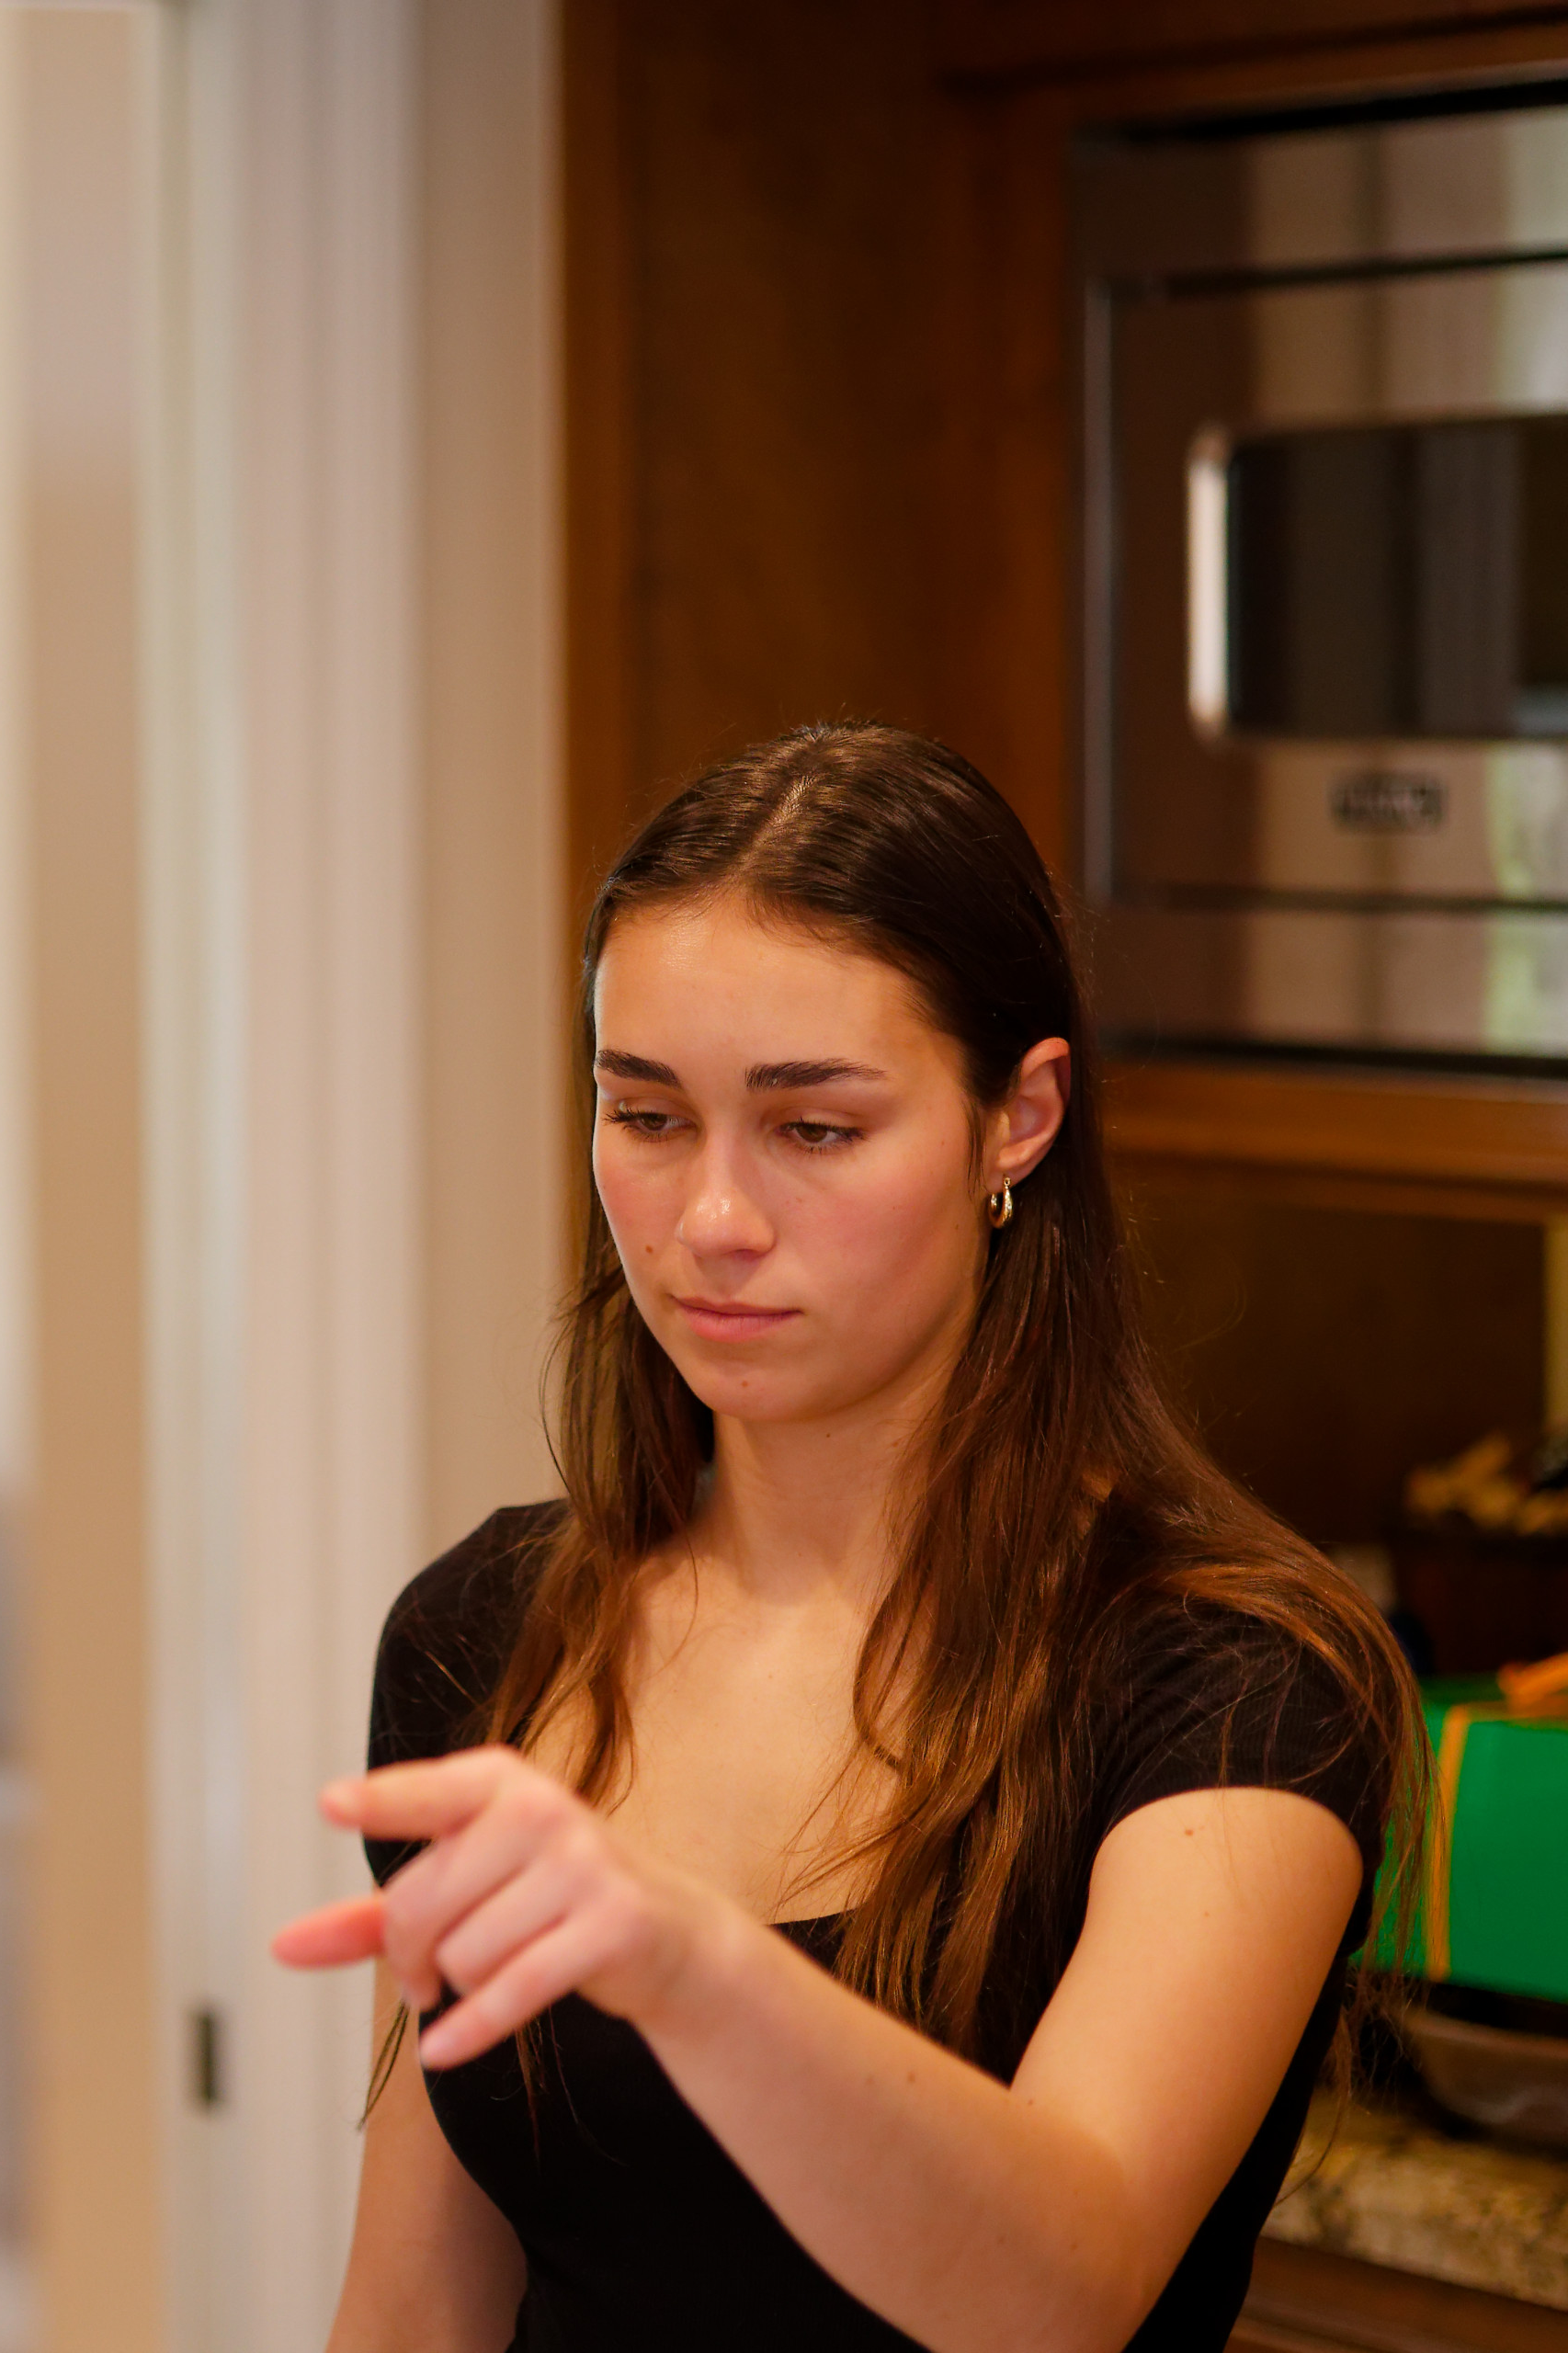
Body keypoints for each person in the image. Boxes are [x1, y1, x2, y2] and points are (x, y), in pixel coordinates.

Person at [277, 725, 1418, 2353]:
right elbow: (415, 2307)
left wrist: (691, 1970)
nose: (711, 1222)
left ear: (1018, 1118)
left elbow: (1060, 2295)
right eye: (647, 1115)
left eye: (814, 1129)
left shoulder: (1235, 1683)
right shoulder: (488, 1627)